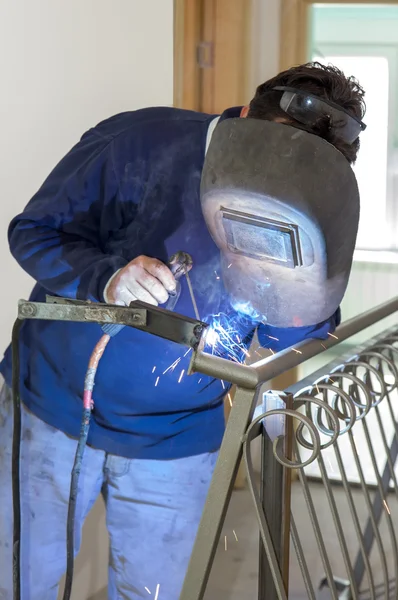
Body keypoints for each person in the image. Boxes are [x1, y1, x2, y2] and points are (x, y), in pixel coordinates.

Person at [0, 61, 365, 599]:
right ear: (243, 119)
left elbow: (300, 334)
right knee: (21, 584)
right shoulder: (140, 140)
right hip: (51, 410)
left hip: (178, 441)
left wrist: (283, 284)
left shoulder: (308, 203)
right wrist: (106, 279)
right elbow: (31, 232)